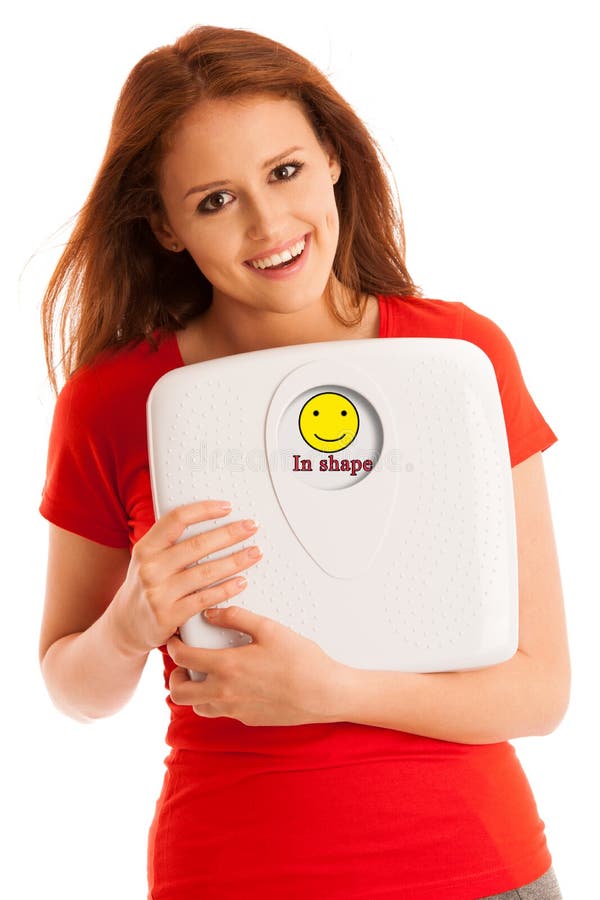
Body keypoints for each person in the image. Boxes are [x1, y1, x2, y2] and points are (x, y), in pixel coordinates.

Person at [38, 24, 569, 900]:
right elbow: (73, 688)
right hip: (230, 874)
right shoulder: (112, 402)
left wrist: (334, 690)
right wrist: (129, 623)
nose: (270, 224)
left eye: (284, 172)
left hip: (475, 871)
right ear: (165, 226)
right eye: (215, 200)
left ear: (333, 158)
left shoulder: (459, 359)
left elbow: (539, 691)